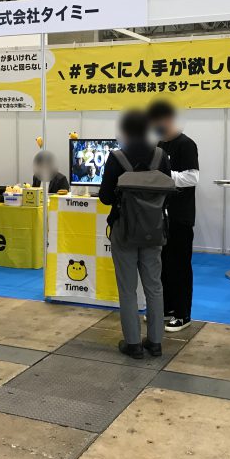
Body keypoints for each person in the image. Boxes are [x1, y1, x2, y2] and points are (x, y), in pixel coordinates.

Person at [99, 110, 172, 359]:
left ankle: (133, 344)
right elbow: (168, 190)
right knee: (155, 286)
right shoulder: (161, 156)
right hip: (154, 229)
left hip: (124, 230)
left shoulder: (117, 157)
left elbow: (105, 197)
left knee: (128, 289)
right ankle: (155, 342)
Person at [147, 100, 199, 333]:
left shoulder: (186, 144)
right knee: (163, 265)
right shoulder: (158, 145)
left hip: (180, 216)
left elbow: (192, 178)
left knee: (180, 266)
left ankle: (182, 313)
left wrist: (165, 175)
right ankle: (166, 308)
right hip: (160, 215)